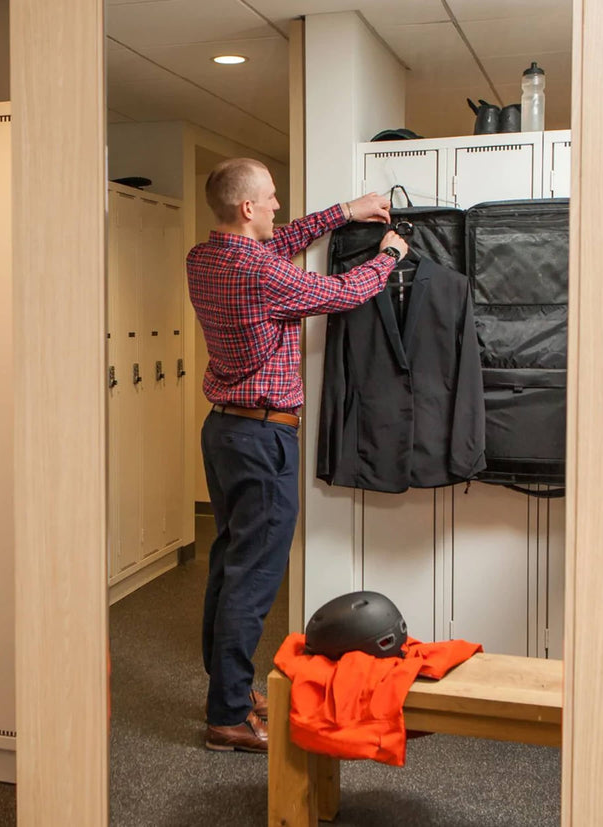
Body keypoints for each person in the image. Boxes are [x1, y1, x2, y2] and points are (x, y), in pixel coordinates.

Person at [186, 157, 408, 753]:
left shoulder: (204, 256)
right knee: (253, 579)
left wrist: (345, 213)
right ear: (247, 208)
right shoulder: (261, 274)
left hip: (225, 432)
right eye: (272, 197)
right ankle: (228, 716)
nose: (279, 205)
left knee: (230, 561)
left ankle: (226, 690)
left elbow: (278, 243)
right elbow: (341, 293)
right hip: (263, 440)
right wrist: (388, 254)